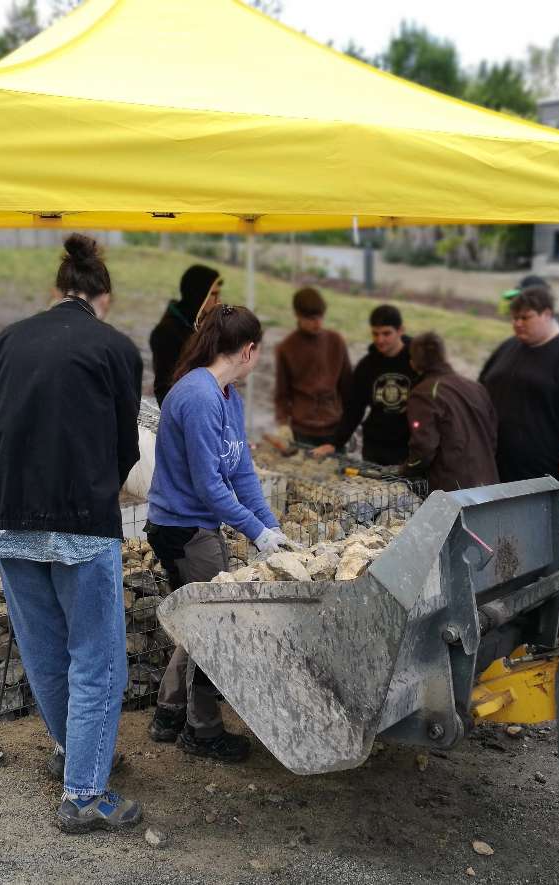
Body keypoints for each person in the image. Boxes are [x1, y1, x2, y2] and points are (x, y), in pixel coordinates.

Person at [0, 233, 143, 834]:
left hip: (6, 515)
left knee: (46, 652)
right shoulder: (116, 349)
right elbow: (126, 445)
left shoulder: (9, 339)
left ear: (57, 289)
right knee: (96, 659)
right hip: (79, 520)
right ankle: (83, 793)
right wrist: (98, 489)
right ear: (106, 296)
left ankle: (78, 754)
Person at [144, 305, 289, 762]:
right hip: (182, 528)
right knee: (218, 628)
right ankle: (202, 731)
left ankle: (168, 712)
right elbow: (211, 487)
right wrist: (254, 533)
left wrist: (271, 528)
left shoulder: (227, 397)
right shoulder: (198, 397)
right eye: (259, 351)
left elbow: (242, 472)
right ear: (248, 350)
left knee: (199, 619)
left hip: (197, 525)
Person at [479, 281, 559, 503]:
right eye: (514, 318)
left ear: (547, 314)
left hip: (546, 469)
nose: (517, 323)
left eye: (525, 318)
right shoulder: (509, 347)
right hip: (501, 462)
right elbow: (483, 384)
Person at [312, 304, 417, 466]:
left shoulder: (417, 362)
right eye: (375, 334)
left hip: (409, 448)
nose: (380, 340)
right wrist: (335, 442)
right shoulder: (366, 366)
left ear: (401, 330)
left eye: (386, 333)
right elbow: (354, 409)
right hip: (375, 447)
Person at [404, 333, 499, 494]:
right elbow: (493, 437)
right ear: (443, 356)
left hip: (453, 491)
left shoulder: (424, 393)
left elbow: (424, 448)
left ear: (413, 363)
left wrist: (407, 468)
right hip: (490, 485)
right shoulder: (476, 387)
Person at [273, 287, 352, 447]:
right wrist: (283, 424)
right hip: (302, 430)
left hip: (334, 427)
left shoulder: (336, 341)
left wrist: (348, 426)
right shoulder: (287, 348)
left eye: (320, 317)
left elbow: (348, 387)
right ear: (297, 315)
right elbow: (282, 393)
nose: (318, 323)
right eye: (311, 318)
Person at [149, 264, 223, 405]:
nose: (218, 301)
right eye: (213, 294)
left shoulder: (199, 324)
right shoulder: (167, 333)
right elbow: (165, 387)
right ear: (198, 294)